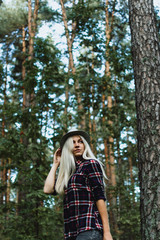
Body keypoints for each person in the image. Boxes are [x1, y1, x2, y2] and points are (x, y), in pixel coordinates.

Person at [44, 129, 113, 240]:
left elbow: (100, 197)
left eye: (80, 141)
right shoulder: (68, 175)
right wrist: (55, 164)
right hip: (72, 233)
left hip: (89, 228)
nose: (77, 145)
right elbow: (48, 189)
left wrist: (107, 232)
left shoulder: (91, 164)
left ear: (85, 145)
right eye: (73, 142)